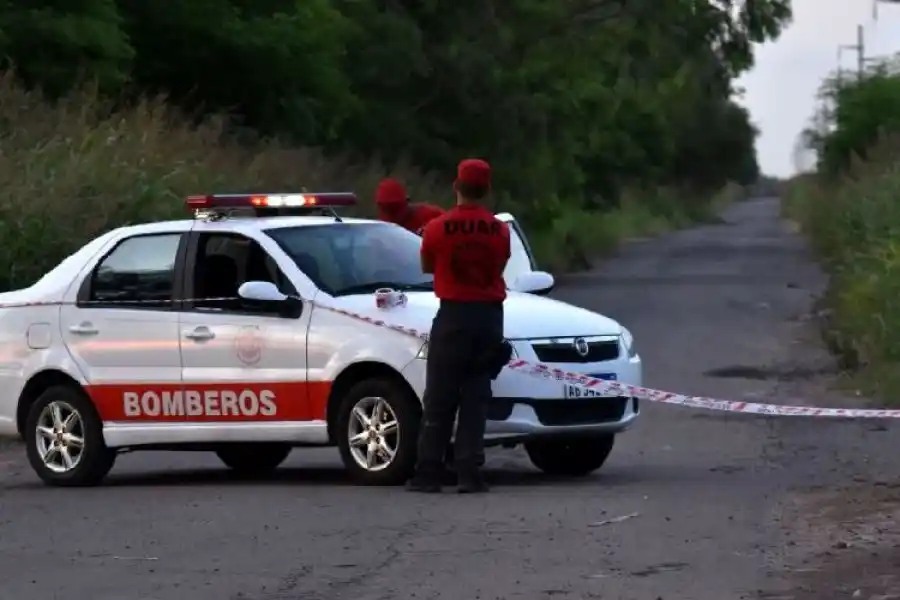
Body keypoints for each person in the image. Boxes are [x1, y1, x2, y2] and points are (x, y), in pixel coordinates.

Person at [406, 158, 511, 494]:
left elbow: (426, 266)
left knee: (439, 396)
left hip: (452, 316)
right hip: (489, 318)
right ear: (487, 189)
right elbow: (499, 266)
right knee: (476, 396)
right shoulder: (500, 230)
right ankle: (469, 471)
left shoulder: (438, 227)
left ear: (456, 186)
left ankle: (428, 472)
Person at [374, 178, 444, 235]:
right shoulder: (381, 229)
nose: (393, 217)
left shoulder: (431, 216)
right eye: (386, 209)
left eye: (394, 209)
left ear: (407, 202)